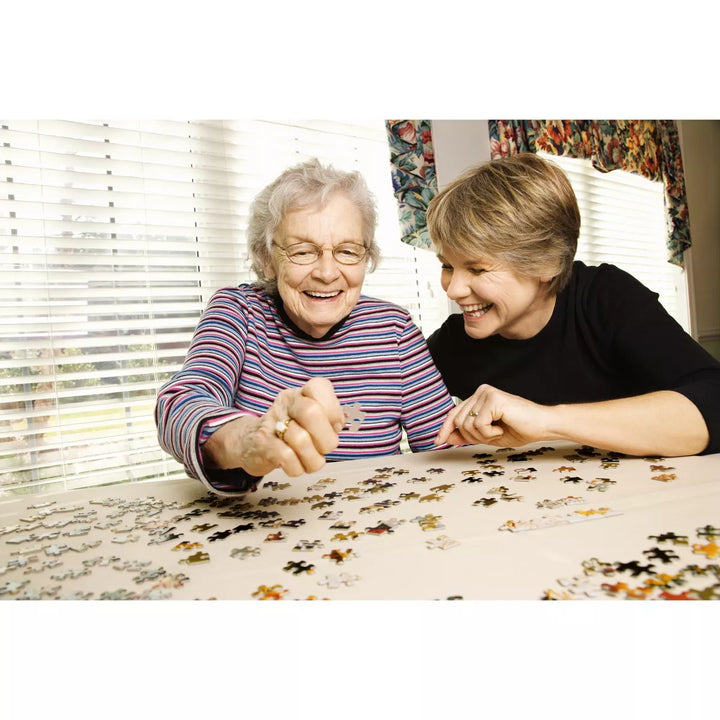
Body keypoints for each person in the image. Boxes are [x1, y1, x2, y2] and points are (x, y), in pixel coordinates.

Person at [155, 158, 455, 495]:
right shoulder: (238, 312)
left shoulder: (394, 330)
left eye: (347, 251)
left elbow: (447, 450)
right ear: (266, 259)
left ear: (366, 259)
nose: (327, 273)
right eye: (302, 252)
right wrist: (249, 440)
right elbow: (179, 403)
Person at [425, 152, 720, 457]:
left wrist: (545, 420)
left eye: (477, 269)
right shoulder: (453, 341)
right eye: (447, 265)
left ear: (547, 263)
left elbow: (714, 401)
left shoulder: (606, 297)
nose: (454, 289)